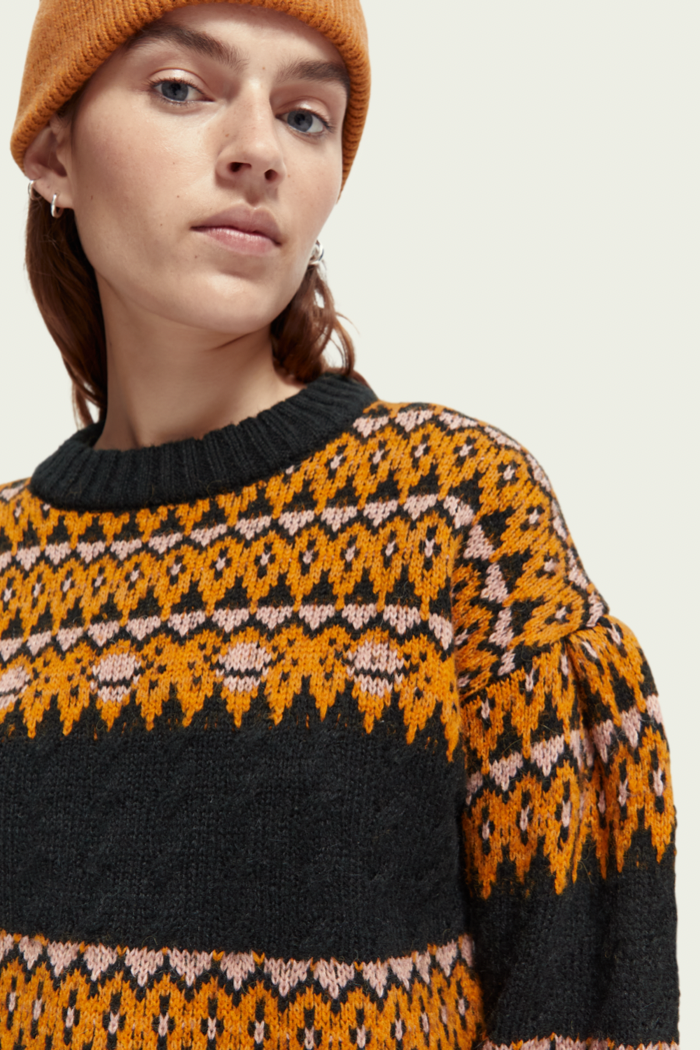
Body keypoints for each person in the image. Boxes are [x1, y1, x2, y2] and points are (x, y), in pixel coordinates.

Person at [0, 0, 678, 1047]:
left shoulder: (454, 513)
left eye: (306, 115)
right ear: (54, 150)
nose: (258, 150)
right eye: (181, 89)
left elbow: (589, 1010)